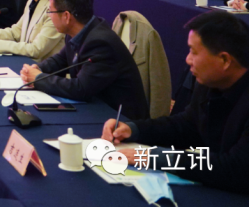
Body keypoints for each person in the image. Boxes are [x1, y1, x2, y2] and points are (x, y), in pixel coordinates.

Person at [102, 11, 249, 193]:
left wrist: (155, 157)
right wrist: (134, 129)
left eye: (194, 52)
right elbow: (187, 125)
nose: (188, 60)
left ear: (225, 60)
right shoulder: (209, 82)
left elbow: (236, 169)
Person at [21, 0, 149, 119]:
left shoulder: (101, 43)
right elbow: (61, 59)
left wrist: (38, 78)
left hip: (120, 121)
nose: (49, 16)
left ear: (66, 16)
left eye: (50, 11)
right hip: (97, 110)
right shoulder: (79, 30)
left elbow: (80, 89)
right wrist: (38, 68)